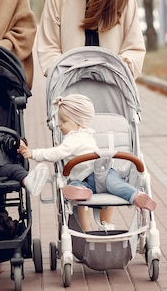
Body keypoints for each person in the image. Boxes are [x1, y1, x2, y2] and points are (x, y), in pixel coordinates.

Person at [18, 94, 156, 230]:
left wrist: (33, 153)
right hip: (86, 179)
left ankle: (136, 196)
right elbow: (65, 150)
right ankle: (82, 191)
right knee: (92, 185)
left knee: (115, 184)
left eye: (64, 121)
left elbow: (56, 154)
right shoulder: (84, 135)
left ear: (78, 123)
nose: (59, 124)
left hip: (99, 175)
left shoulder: (74, 139)